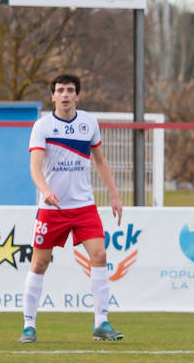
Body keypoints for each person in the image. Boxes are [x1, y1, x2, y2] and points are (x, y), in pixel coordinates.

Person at [19, 74, 124, 344]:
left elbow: (100, 161)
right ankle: (29, 325)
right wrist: (45, 190)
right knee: (40, 263)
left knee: (99, 256)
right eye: (60, 90)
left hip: (84, 206)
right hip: (52, 209)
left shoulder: (88, 123)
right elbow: (35, 166)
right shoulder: (42, 127)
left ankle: (101, 322)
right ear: (52, 96)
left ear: (77, 95)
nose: (65, 95)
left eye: (70, 90)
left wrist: (114, 194)